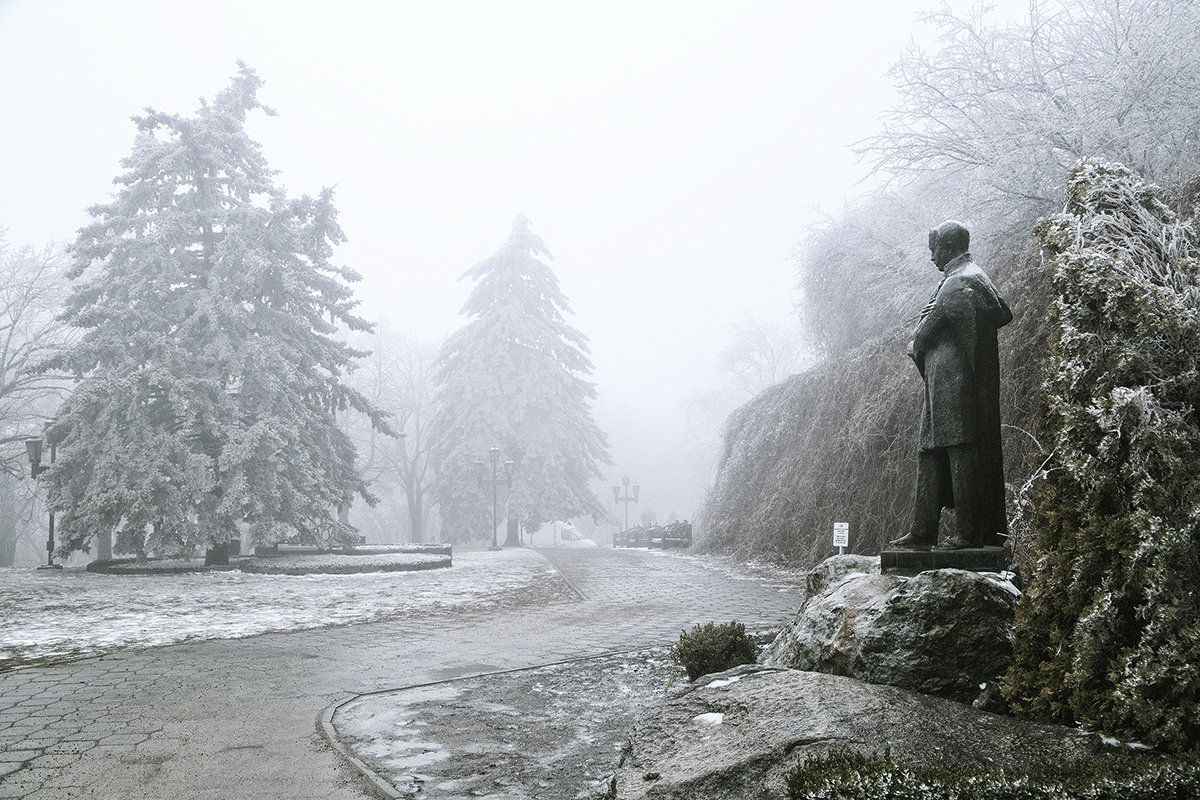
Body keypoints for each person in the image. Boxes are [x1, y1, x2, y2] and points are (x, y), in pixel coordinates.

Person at [890, 220, 1012, 550]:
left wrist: (918, 342)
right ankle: (923, 529)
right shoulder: (966, 278)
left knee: (961, 453)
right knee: (930, 455)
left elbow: (929, 332)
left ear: (947, 247)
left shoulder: (962, 280)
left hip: (956, 386)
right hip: (940, 384)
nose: (931, 258)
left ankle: (969, 532)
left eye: (934, 250)